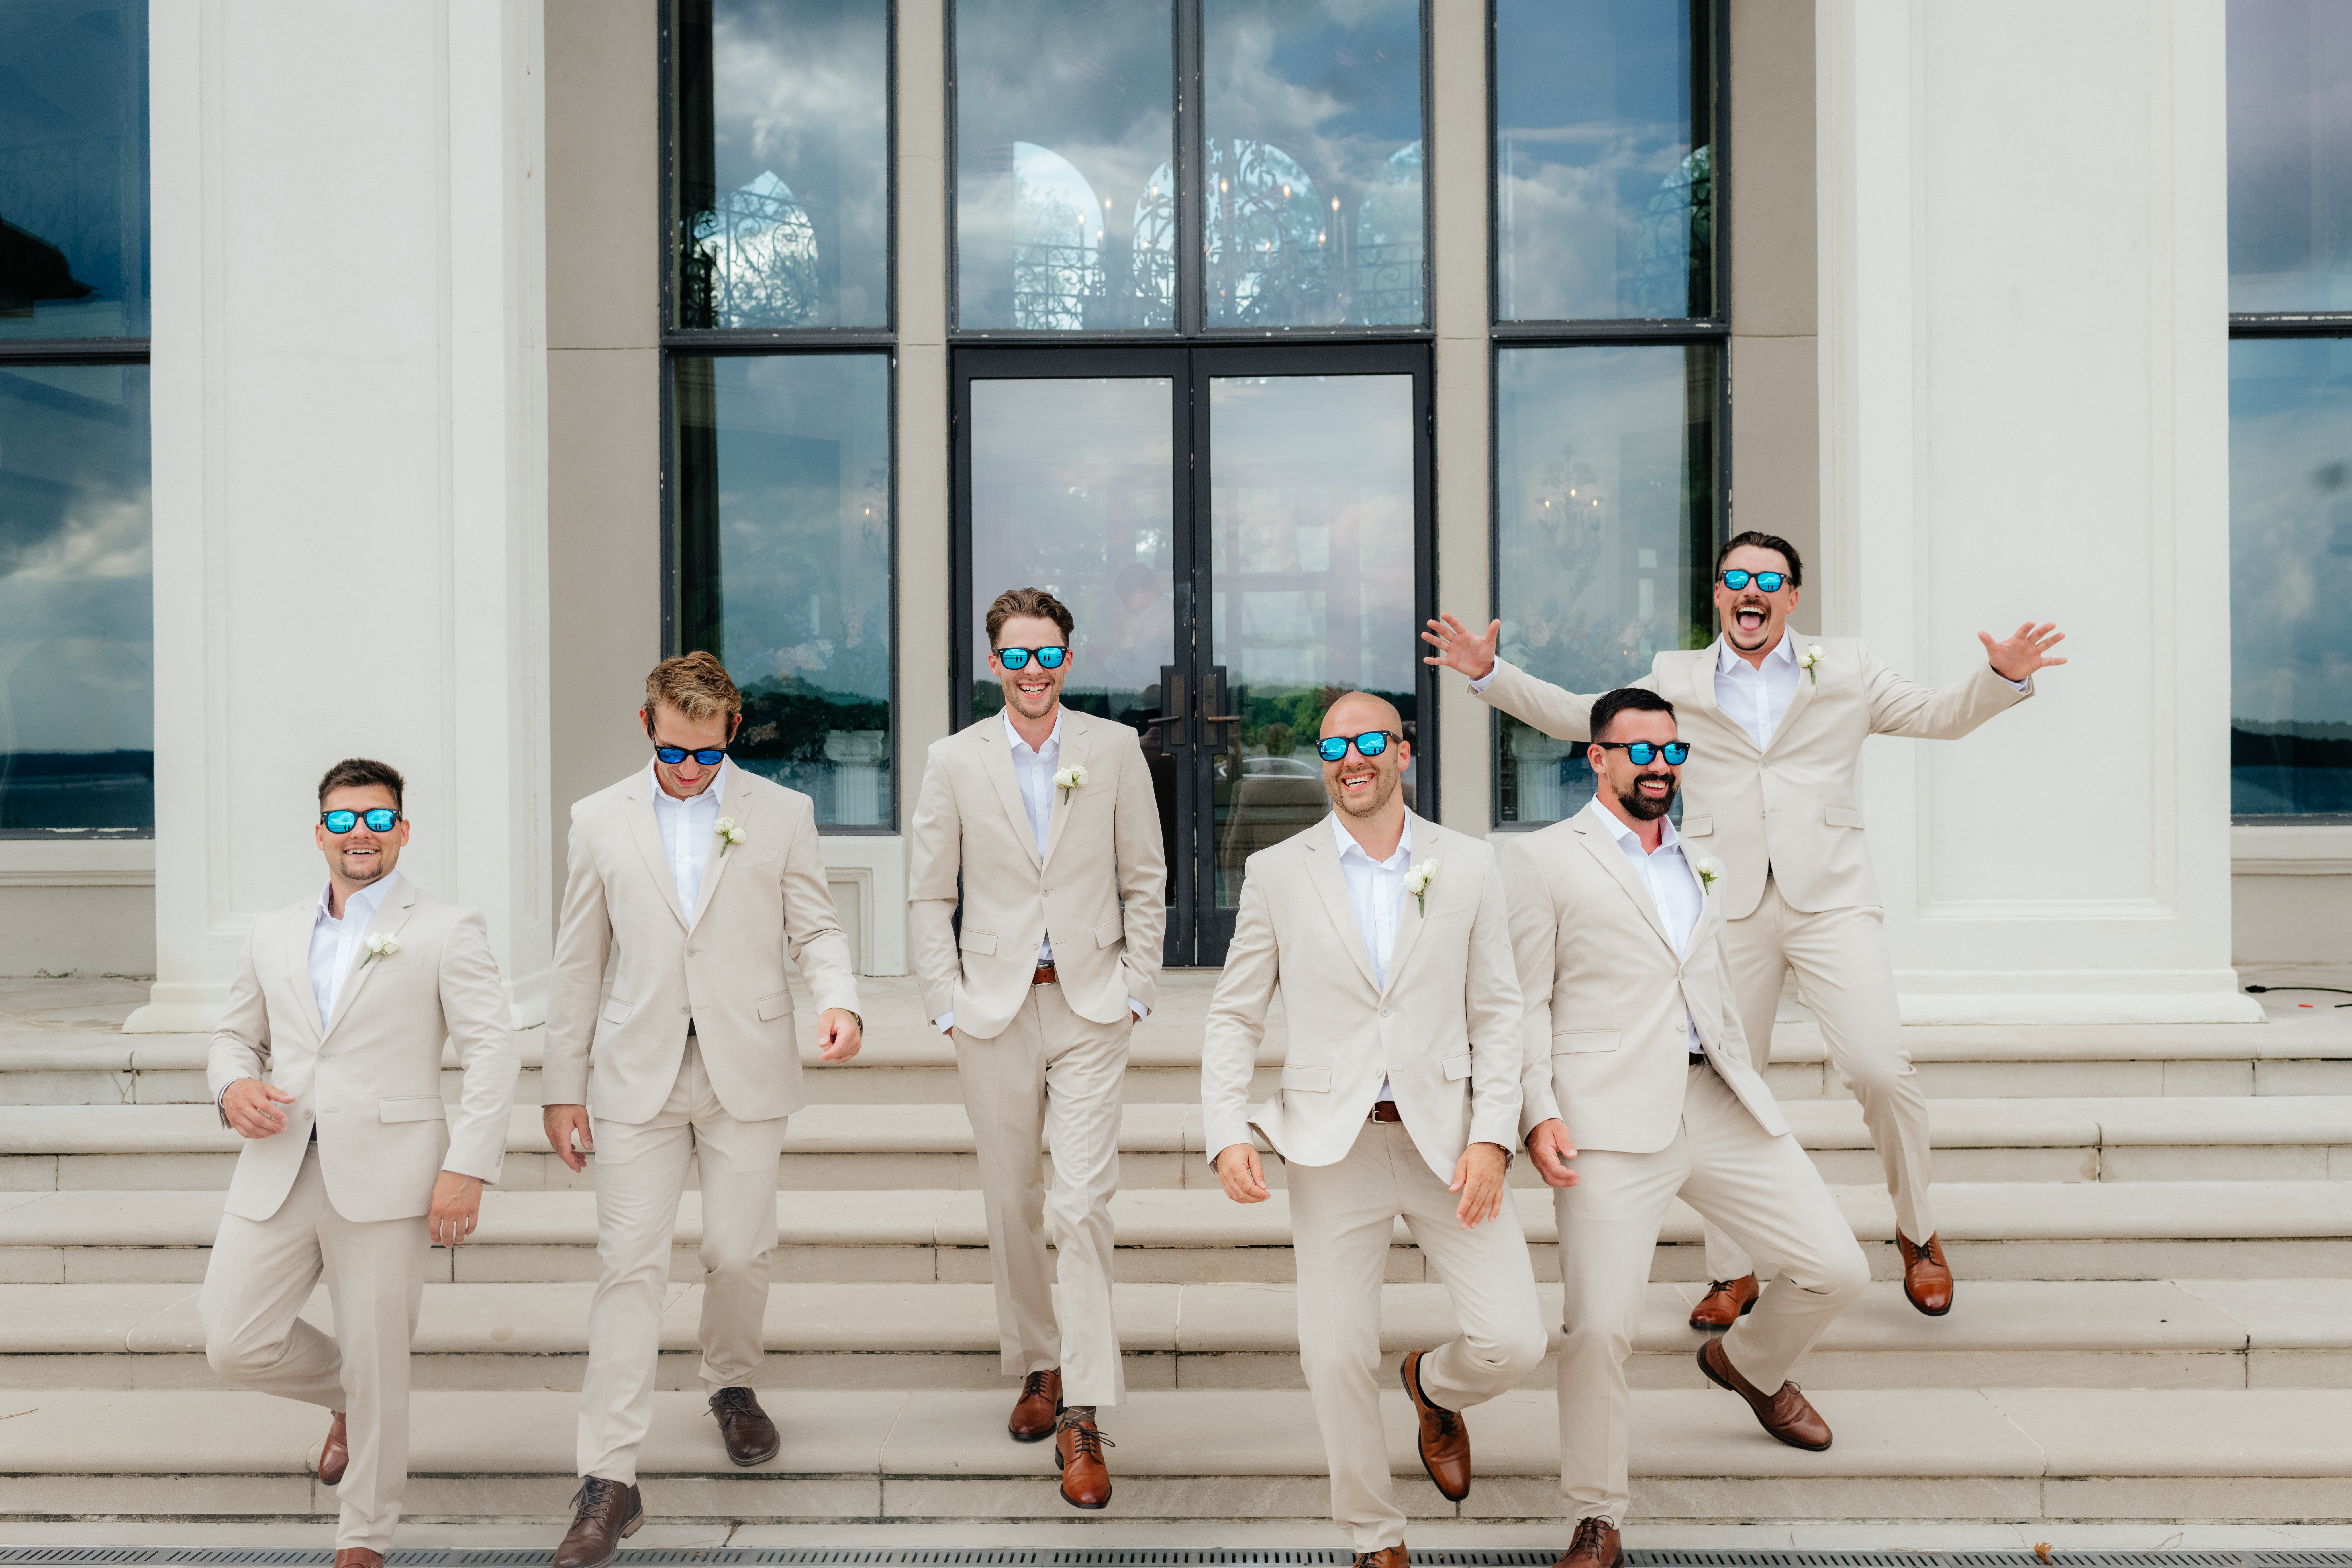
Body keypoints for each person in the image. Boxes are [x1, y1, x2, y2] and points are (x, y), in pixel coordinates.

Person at [1426, 530, 2067, 1319]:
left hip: (1830, 896)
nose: (1750, 589)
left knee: (1880, 1067)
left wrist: (1999, 677)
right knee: (1728, 1080)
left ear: (1793, 597)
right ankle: (1733, 1271)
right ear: (1720, 595)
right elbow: (1582, 719)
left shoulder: (1849, 667)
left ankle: (1917, 1230)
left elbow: (1939, 716)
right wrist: (1489, 674)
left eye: (1770, 578)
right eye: (1736, 577)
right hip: (1719, 900)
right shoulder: (1676, 677)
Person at [1506, 689, 1871, 1568]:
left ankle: (1749, 1361)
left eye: (1671, 751)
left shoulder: (1702, 859)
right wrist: (1537, 1111)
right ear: (1596, 759)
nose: (1659, 766)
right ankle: (1597, 1513)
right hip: (1604, 1119)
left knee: (1837, 1268)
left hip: (1716, 1099)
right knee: (1599, 1330)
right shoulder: (1542, 862)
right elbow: (1518, 1003)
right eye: (1639, 752)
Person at [1202, 691, 1547, 1568]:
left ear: (1403, 752)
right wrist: (1226, 1127)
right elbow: (1235, 1014)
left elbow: (1501, 1015)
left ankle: (1432, 1389)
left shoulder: (1468, 865)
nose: (1350, 760)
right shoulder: (1278, 872)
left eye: (1367, 742)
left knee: (1514, 1340)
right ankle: (1373, 1536)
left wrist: (1493, 1137)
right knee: (1332, 1354)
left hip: (1450, 1142)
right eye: (1332, 747)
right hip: (1332, 1143)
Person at [541, 653, 863, 1568]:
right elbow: (577, 960)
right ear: (646, 726)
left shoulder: (783, 814)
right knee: (628, 1270)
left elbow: (816, 925)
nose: (691, 770)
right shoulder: (597, 820)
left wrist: (838, 1000)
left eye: (708, 756)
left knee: (738, 1249)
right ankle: (607, 1480)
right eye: (676, 753)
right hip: (632, 1074)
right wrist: (561, 1087)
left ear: (732, 733)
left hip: (747, 1067)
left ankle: (730, 1383)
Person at [203, 758, 521, 1568]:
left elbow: (492, 1051)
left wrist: (469, 1165)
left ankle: (364, 1537)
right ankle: (352, 1403)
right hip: (279, 1162)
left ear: (402, 832)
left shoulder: (449, 928)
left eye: (378, 820)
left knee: (382, 1358)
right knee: (235, 1339)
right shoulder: (271, 931)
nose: (361, 835)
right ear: (320, 833)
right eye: (344, 820)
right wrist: (233, 1084)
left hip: (391, 1174)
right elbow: (234, 1035)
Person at [906, 586, 1168, 1509]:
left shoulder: (1113, 749)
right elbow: (929, 892)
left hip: (1093, 1004)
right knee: (1012, 1196)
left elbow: (1146, 874)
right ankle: (1039, 1363)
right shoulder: (953, 760)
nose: (1033, 670)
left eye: (1048, 653)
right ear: (994, 663)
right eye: (1016, 655)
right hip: (992, 1008)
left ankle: (1084, 1416)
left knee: (1083, 1202)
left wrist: (1137, 987)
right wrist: (945, 1004)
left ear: (1067, 656)